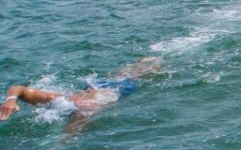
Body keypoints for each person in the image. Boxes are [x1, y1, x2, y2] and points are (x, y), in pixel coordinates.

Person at [2, 57, 164, 135]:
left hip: (108, 89)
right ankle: (151, 62)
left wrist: (10, 100)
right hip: (100, 87)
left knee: (136, 74)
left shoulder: (80, 106)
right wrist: (11, 100)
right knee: (125, 75)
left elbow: (70, 132)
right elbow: (19, 89)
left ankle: (154, 62)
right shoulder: (62, 100)